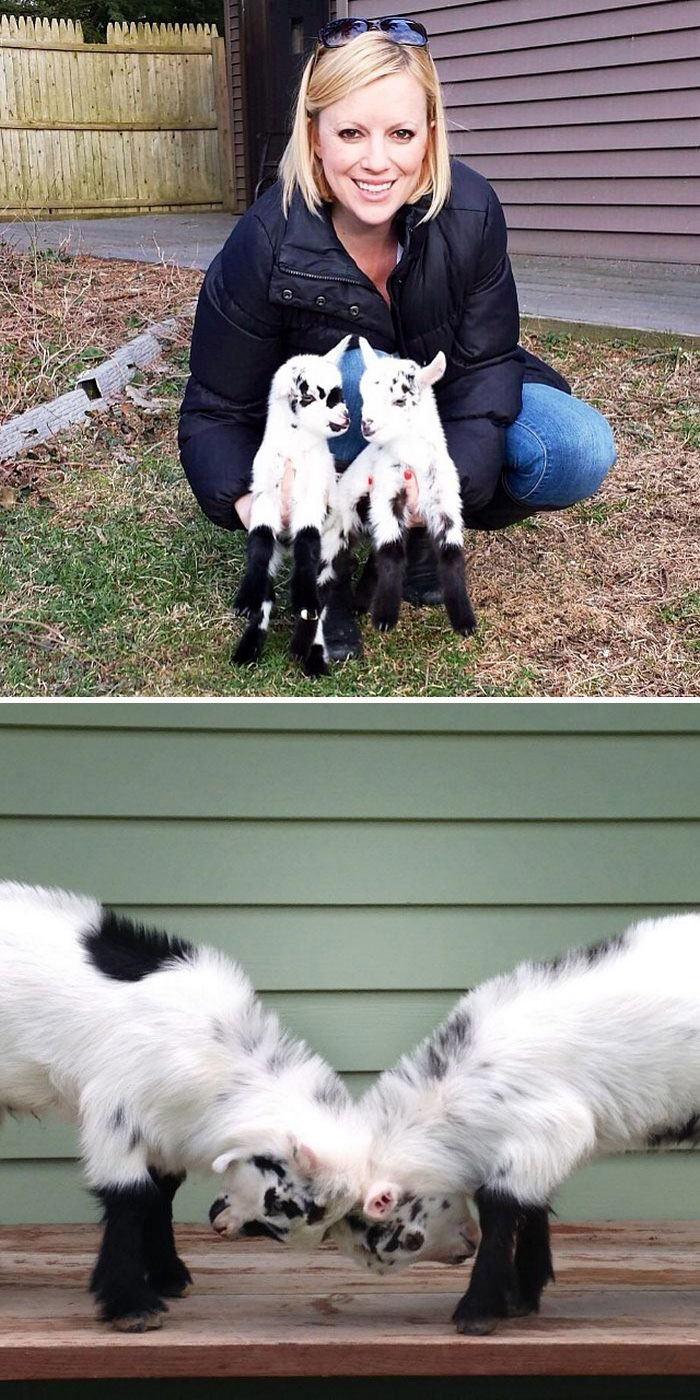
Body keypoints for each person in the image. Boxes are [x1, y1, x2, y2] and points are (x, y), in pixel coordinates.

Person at [179, 15, 616, 660]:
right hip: (327, 436)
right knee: (357, 376)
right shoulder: (264, 240)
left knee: (576, 448)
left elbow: (485, 367)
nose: (377, 162)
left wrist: (437, 488)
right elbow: (214, 412)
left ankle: (411, 540)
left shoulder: (472, 210)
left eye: (401, 133)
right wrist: (256, 504)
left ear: (430, 134)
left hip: (431, 411)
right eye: (351, 132)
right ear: (314, 136)